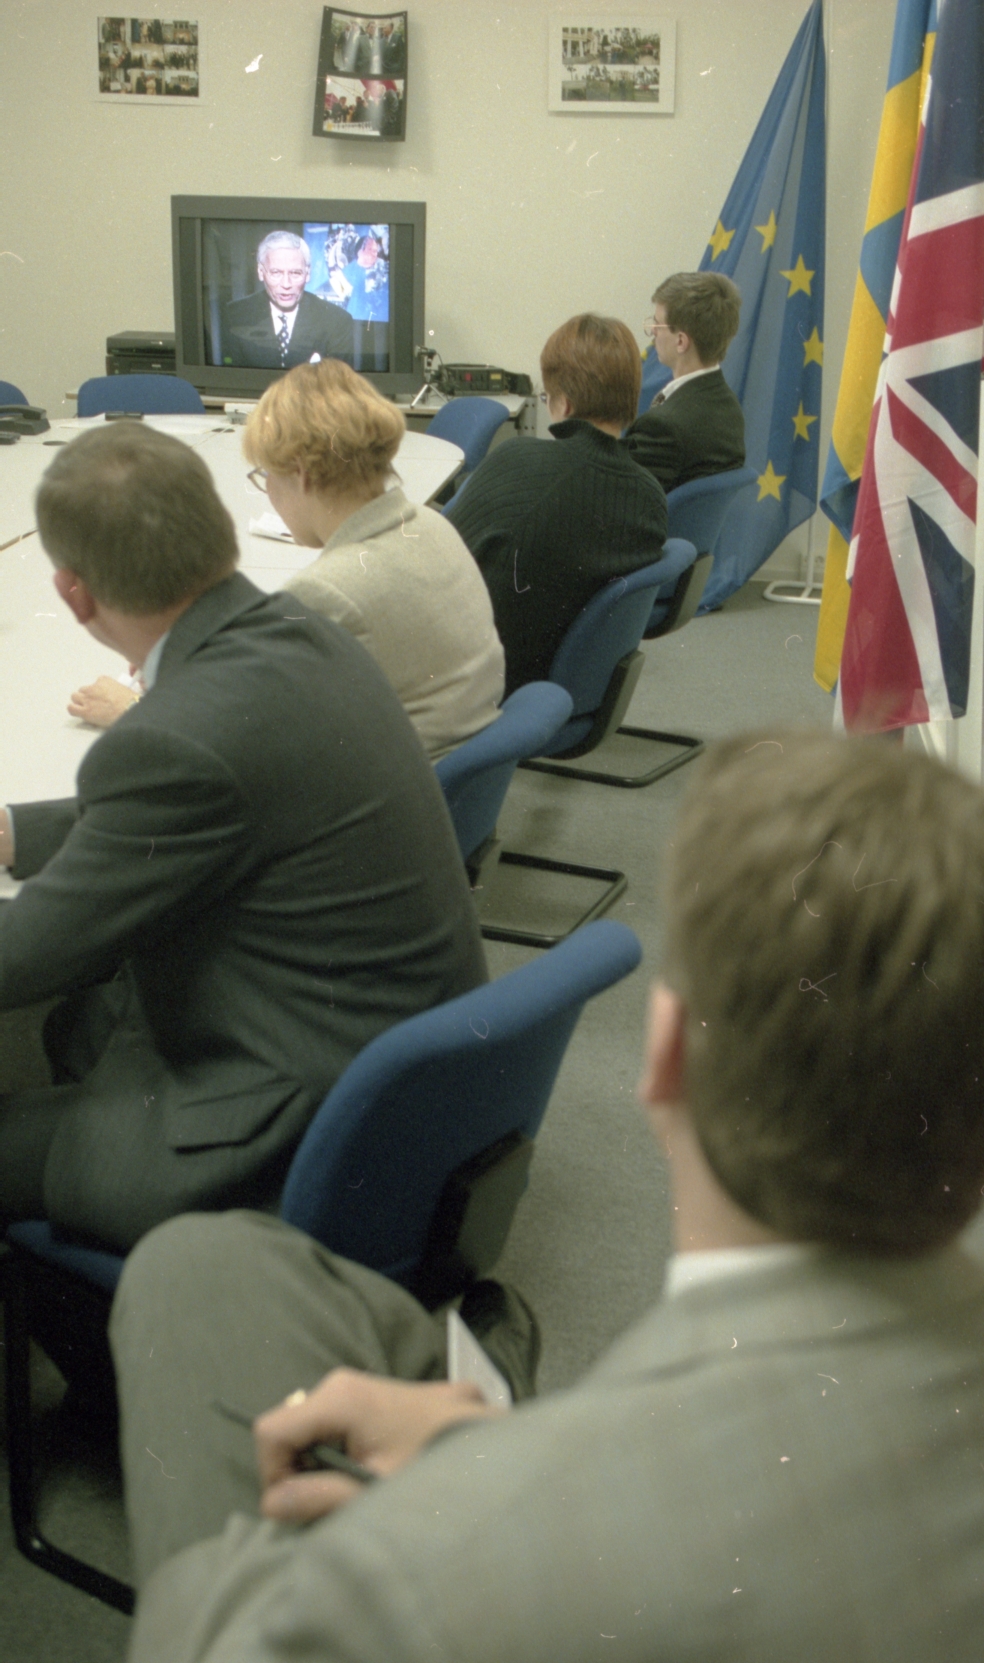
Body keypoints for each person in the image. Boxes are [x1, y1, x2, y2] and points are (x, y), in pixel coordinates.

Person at [116, 728, 984, 1659]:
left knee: (192, 1284)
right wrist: (489, 1461)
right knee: (210, 1263)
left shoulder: (420, 1586)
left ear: (666, 1059)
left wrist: (480, 1494)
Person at [0, 422, 486, 1254]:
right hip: (386, 1076)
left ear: (74, 595)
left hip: (288, 1127)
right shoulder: (307, 632)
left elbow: (25, 956)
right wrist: (14, 831)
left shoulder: (175, 738)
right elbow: (188, 806)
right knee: (78, 1025)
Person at [241, 359, 504, 762]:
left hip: (383, 785)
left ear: (300, 472)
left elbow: (253, 725)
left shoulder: (326, 590)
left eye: (266, 475)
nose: (268, 491)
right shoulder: (432, 525)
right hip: (449, 766)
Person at [446, 313, 668, 695]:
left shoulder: (517, 459)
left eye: (547, 397)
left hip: (473, 682)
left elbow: (441, 562)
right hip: (551, 683)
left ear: (563, 404)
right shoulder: (651, 497)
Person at [621, 270, 746, 492]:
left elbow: (620, 498)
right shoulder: (730, 407)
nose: (652, 331)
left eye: (657, 325)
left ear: (681, 341)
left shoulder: (662, 428)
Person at [223, 231, 355, 370]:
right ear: (261, 272)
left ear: (307, 274)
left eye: (295, 273)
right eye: (276, 273)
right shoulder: (233, 315)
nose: (286, 284)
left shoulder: (338, 321)